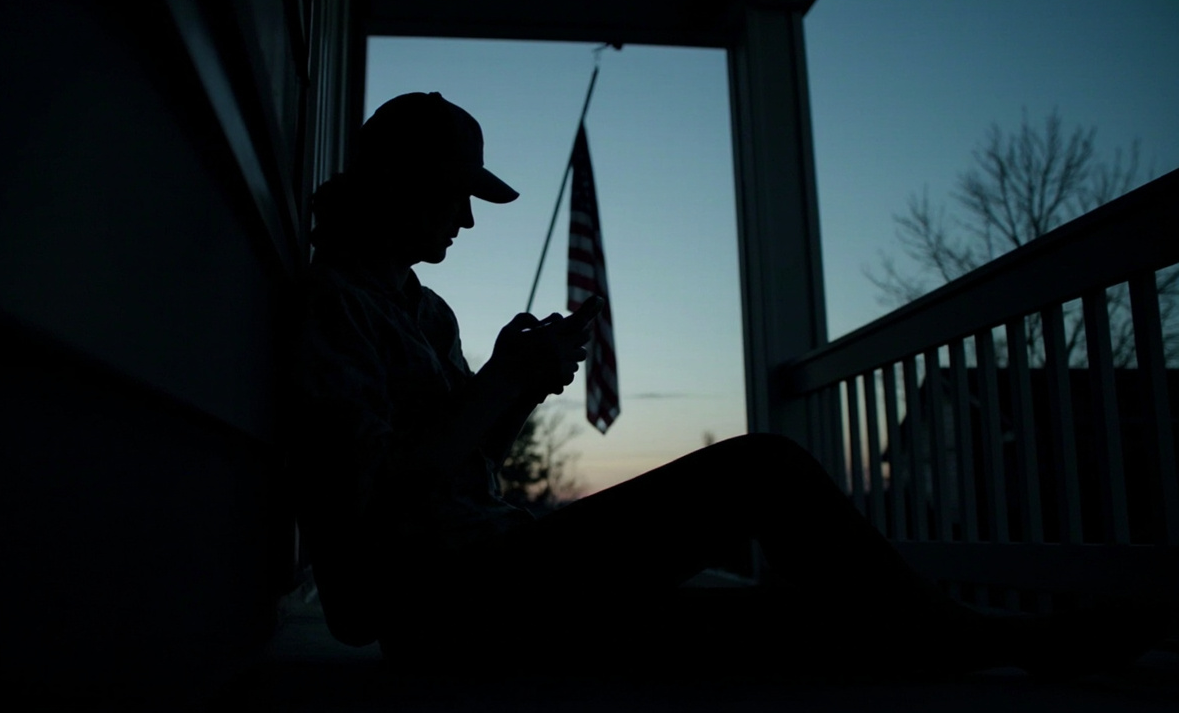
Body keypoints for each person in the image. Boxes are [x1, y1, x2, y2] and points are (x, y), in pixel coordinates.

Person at [291, 91, 1167, 680]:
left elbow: (458, 462)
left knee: (790, 623)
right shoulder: (330, 301)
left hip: (512, 567)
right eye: (453, 192)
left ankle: (975, 636)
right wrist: (500, 384)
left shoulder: (421, 309)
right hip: (449, 607)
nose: (467, 217)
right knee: (760, 471)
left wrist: (514, 387)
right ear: (396, 181)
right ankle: (991, 641)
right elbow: (381, 507)